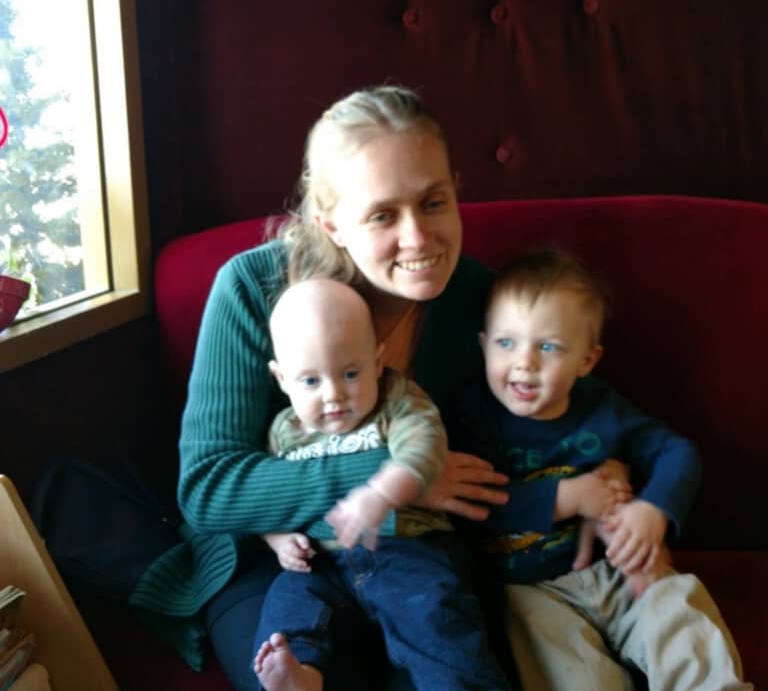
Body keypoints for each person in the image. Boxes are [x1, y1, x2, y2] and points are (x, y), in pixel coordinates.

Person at [130, 85, 515, 691]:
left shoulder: (479, 299)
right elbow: (208, 488)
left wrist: (607, 475)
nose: (419, 238)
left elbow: (543, 424)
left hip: (417, 559)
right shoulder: (253, 289)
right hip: (275, 557)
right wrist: (394, 477)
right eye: (384, 215)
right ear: (329, 223)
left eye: (434, 202)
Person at [449, 249, 753, 691]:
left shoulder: (601, 408)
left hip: (619, 569)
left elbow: (677, 453)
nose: (524, 362)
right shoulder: (472, 417)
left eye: (548, 346)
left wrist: (652, 511)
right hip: (532, 590)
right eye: (506, 342)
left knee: (676, 610)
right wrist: (567, 498)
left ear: (586, 361)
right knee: (573, 674)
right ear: (483, 345)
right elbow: (470, 505)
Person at [252, 276, 511, 691]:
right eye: (311, 381)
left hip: (408, 549)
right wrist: (279, 539)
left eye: (350, 372)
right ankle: (298, 672)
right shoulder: (284, 431)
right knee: (288, 603)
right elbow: (265, 499)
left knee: (437, 624)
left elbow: (425, 449)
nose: (334, 394)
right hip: (322, 560)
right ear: (281, 379)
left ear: (377, 361)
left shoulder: (398, 400)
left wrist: (382, 492)